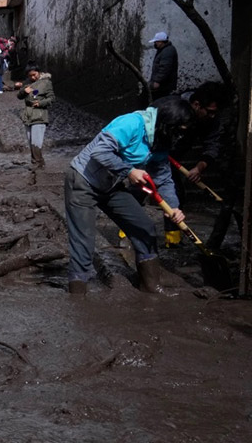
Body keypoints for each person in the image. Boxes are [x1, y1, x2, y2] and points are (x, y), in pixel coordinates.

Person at [64, 98, 193, 294]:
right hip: (83, 180)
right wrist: (130, 171)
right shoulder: (131, 123)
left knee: (144, 227)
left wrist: (173, 208)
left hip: (111, 184)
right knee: (84, 242)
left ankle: (150, 284)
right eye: (178, 131)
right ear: (168, 124)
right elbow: (100, 152)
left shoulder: (160, 140)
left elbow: (164, 179)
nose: (180, 137)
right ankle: (78, 295)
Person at [154, 81, 229, 245]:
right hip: (149, 153)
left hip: (170, 159)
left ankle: (172, 239)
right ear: (196, 105)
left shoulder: (209, 120)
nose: (212, 116)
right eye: (209, 112)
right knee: (136, 191)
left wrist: (200, 166)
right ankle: (125, 232)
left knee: (175, 195)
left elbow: (213, 144)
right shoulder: (170, 105)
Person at [15, 64, 55, 168]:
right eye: (30, 76)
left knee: (36, 141)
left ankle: (38, 162)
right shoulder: (27, 83)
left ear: (39, 72)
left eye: (34, 75)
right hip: (28, 115)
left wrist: (40, 103)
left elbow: (51, 98)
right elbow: (19, 96)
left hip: (40, 115)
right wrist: (24, 91)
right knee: (30, 140)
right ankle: (36, 162)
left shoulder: (46, 83)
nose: (33, 77)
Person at [148, 31, 178, 101]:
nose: (155, 43)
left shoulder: (167, 51)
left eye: (156, 42)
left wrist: (157, 81)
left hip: (164, 85)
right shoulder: (165, 50)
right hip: (164, 84)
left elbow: (165, 68)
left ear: (161, 42)